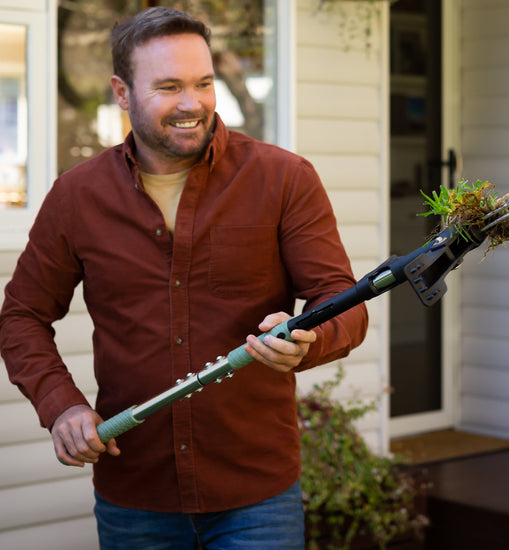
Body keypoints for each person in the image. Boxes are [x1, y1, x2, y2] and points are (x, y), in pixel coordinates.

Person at [0, 7, 368, 550]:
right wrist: (62, 406)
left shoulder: (284, 178)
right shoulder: (76, 197)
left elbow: (345, 302)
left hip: (257, 494)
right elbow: (22, 317)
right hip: (136, 493)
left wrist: (310, 338)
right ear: (122, 93)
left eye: (203, 83)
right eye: (169, 86)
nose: (192, 103)